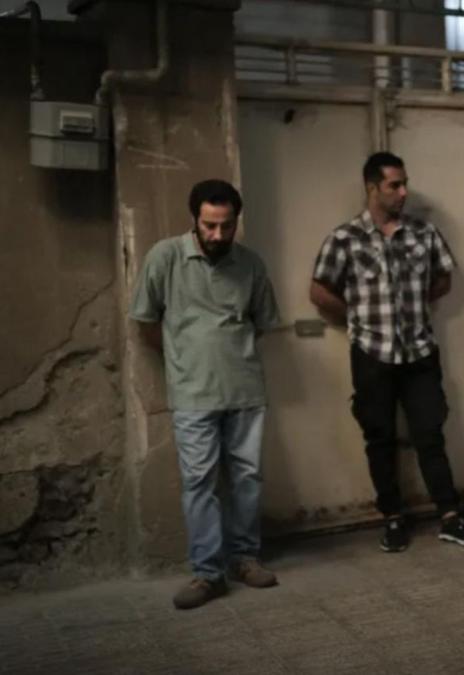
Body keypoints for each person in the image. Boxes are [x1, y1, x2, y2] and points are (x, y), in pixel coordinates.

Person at [309, 151, 464, 552]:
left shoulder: (423, 234)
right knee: (380, 438)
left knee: (430, 433)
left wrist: (416, 304)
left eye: (405, 183)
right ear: (372, 188)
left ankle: (450, 516)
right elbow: (318, 291)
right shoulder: (345, 239)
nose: (404, 192)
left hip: (419, 351)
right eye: (395, 185)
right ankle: (392, 517)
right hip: (372, 352)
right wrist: (357, 316)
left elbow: (443, 279)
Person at [130, 179, 281, 610]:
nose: (217, 235)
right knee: (199, 482)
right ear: (194, 219)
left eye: (226, 226)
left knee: (247, 479)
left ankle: (245, 559)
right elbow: (145, 322)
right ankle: (207, 573)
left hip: (246, 390)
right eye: (209, 226)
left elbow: (263, 322)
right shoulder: (166, 257)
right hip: (192, 394)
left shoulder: (251, 264)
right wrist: (185, 360)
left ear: (236, 222)